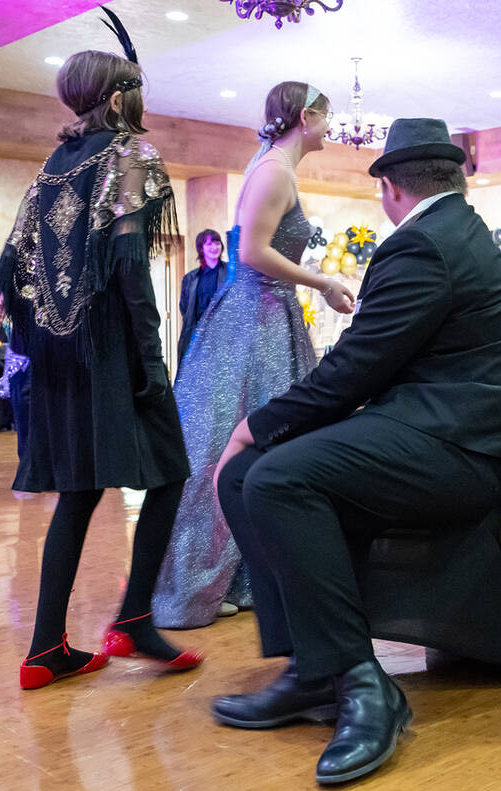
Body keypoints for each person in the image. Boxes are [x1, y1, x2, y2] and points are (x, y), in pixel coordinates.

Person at [210, 118, 501, 784]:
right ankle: (314, 672)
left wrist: (252, 424)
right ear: (451, 178)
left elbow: (357, 368)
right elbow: (374, 367)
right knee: (247, 477)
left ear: (390, 188)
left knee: (271, 475)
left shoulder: (422, 242)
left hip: (459, 449)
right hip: (445, 430)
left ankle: (363, 683)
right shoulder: (462, 230)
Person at [0, 41, 202, 689]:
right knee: (170, 471)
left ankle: (44, 649)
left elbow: (10, 270)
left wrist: (44, 337)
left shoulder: (52, 164)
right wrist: (152, 361)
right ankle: (134, 620)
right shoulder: (130, 153)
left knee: (80, 493)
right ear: (117, 96)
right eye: (135, 87)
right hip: (112, 351)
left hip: (63, 357)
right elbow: (130, 269)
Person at [152, 82, 354, 629]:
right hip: (254, 318)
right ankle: (194, 580)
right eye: (327, 118)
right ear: (306, 117)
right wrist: (322, 282)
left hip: (267, 314)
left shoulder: (275, 165)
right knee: (232, 440)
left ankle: (243, 574)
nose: (331, 128)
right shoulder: (273, 170)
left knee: (260, 440)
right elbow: (250, 252)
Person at [176, 228, 226, 366]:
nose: (214, 247)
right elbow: (184, 308)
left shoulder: (230, 274)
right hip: (196, 337)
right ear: (201, 248)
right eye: (209, 244)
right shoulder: (190, 278)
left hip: (222, 338)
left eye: (217, 243)